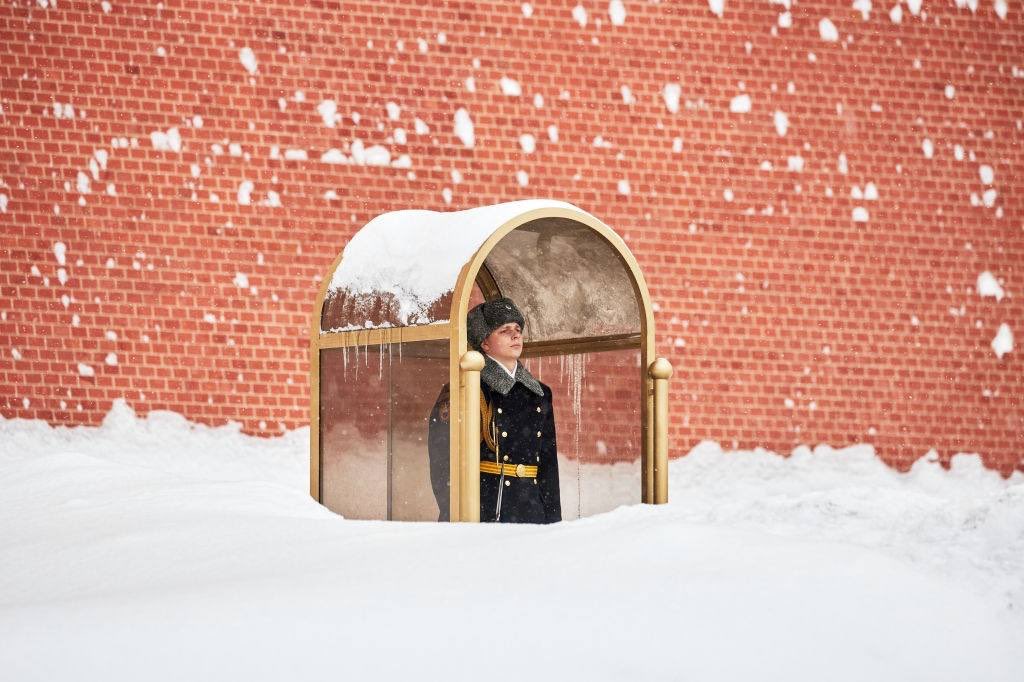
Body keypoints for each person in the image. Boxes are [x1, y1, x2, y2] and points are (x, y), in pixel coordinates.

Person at [427, 297, 561, 523]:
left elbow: (548, 467)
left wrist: (553, 521)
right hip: (486, 514)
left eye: (518, 329)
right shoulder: (466, 388)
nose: (516, 335)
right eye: (504, 330)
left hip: (532, 515)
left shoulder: (540, 393)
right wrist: (455, 515)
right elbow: (443, 461)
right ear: (484, 343)